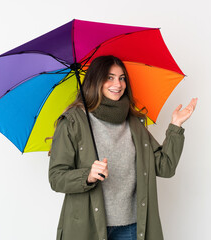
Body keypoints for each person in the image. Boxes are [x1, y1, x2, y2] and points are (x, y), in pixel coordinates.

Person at [48, 55, 197, 240]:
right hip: (89, 227)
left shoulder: (134, 122)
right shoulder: (72, 122)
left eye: (122, 78)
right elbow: (56, 178)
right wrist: (87, 175)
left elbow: (165, 167)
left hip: (132, 228)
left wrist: (176, 126)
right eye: (109, 77)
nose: (118, 84)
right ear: (95, 81)